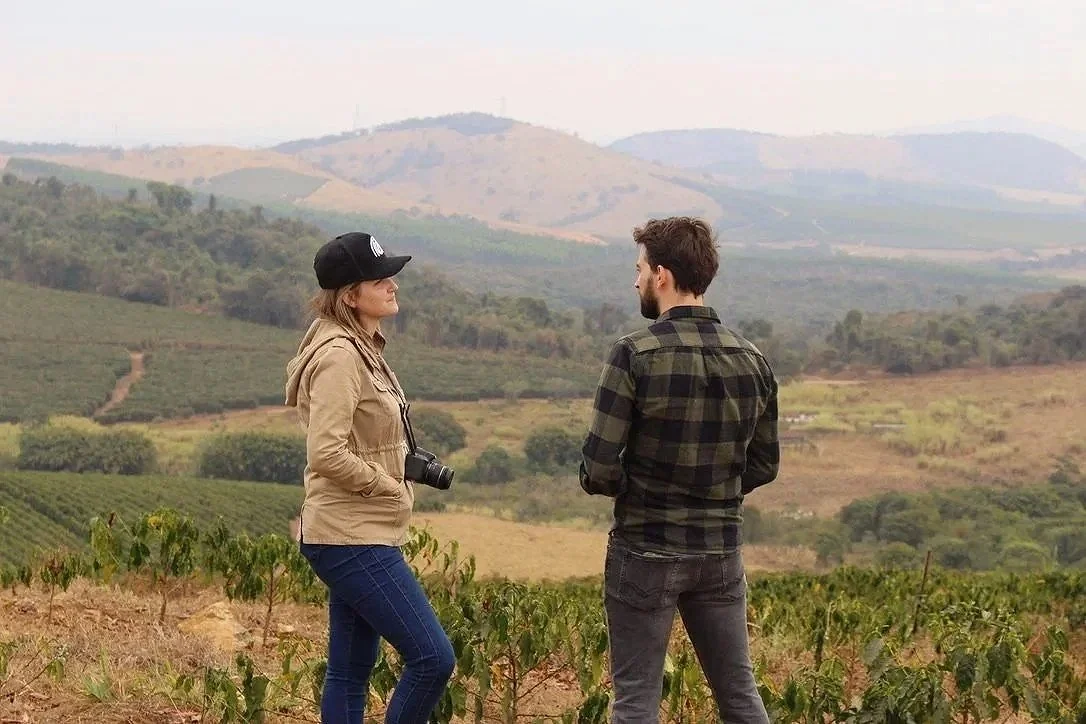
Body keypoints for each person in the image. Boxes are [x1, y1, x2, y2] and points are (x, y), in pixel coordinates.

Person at [579, 217, 779, 723]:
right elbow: (764, 465)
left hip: (645, 546)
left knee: (636, 700)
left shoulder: (634, 353)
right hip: (720, 550)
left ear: (661, 275)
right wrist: (714, 492)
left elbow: (598, 467)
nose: (636, 280)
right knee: (738, 693)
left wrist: (643, 488)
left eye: (639, 269)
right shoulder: (753, 359)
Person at [284, 231, 455, 724]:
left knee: (350, 672)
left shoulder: (362, 346)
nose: (393, 287)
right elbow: (326, 452)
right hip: (350, 534)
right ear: (351, 295)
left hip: (355, 529)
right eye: (381, 280)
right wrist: (386, 485)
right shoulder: (340, 357)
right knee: (432, 657)